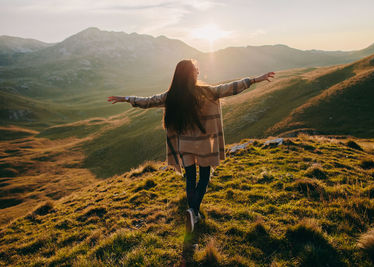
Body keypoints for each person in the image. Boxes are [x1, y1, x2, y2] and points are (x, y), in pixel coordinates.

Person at [107, 59, 275, 233]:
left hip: (184, 145)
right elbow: (230, 88)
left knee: (190, 178)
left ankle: (192, 213)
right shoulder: (205, 92)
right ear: (190, 74)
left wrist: (126, 99)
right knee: (203, 178)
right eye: (196, 70)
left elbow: (148, 101)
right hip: (203, 145)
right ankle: (193, 211)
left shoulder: (172, 96)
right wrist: (255, 80)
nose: (198, 73)